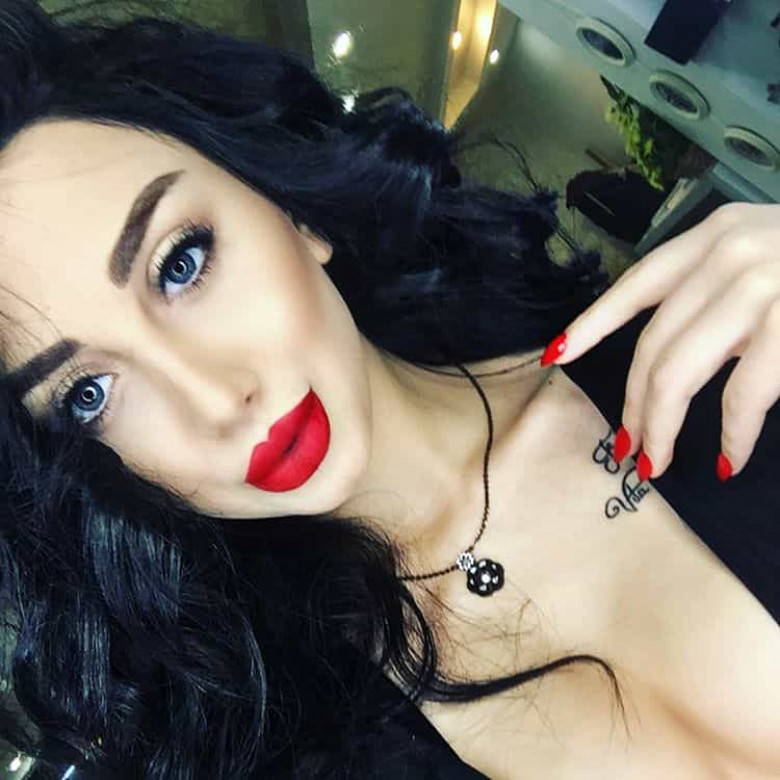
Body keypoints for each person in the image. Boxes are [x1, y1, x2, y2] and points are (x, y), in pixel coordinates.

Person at [0, 2, 778, 778]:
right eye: (88, 393)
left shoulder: (700, 366)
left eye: (181, 263)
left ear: (290, 210)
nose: (217, 399)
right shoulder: (278, 744)